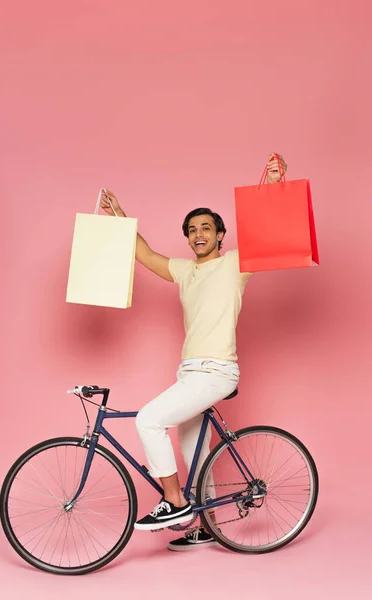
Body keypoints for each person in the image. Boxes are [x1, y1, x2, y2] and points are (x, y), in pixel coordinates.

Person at [100, 153, 287, 551]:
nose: (198, 234)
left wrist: (273, 182)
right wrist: (120, 217)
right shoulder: (186, 271)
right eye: (191, 230)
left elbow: (265, 229)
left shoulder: (237, 264)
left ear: (221, 236)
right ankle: (207, 526)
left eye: (206, 228)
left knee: (150, 420)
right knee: (193, 452)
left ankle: (174, 501)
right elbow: (146, 254)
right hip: (190, 373)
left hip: (217, 371)